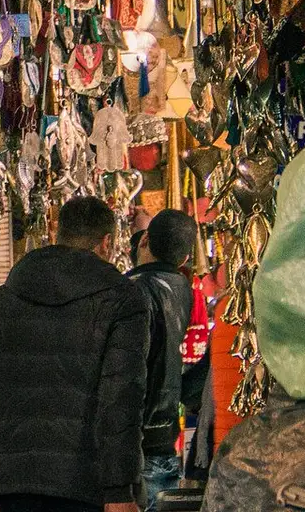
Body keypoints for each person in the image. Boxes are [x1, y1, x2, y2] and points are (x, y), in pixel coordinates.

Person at [0, 195, 148, 512]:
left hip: (9, 489)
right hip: (84, 489)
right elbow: (121, 399)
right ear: (107, 243)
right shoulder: (122, 302)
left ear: (58, 235)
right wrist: (118, 491)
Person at [128, 210, 198, 511]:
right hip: (165, 435)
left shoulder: (131, 292)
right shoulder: (183, 290)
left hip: (135, 439)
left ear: (144, 239)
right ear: (183, 259)